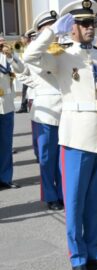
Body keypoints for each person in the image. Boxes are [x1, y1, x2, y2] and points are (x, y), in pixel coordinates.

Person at [23, 1, 97, 269]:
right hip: (77, 139)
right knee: (75, 202)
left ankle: (95, 253)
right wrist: (51, 32)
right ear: (72, 29)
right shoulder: (61, 55)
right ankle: (78, 259)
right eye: (83, 24)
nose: (90, 28)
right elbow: (29, 57)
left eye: (92, 23)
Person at [28, 10, 65, 210]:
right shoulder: (36, 52)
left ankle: (62, 193)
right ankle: (50, 196)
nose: (55, 31)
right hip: (46, 114)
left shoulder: (62, 49)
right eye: (50, 28)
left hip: (66, 112)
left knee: (62, 158)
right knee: (47, 158)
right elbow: (35, 59)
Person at [0, 35, 25, 190]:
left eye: (2, 40)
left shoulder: (7, 55)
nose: (2, 43)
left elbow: (21, 69)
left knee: (6, 145)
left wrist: (11, 55)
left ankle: (5, 178)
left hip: (7, 106)